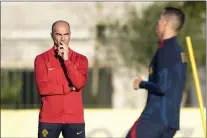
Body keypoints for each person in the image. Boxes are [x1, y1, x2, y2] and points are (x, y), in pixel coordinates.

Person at [126, 7, 187, 138]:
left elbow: (162, 87)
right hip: (171, 122)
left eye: (160, 19)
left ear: (166, 23)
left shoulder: (166, 51)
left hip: (155, 118)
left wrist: (142, 84)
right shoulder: (179, 51)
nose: (157, 22)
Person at [34, 20, 88, 138]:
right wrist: (67, 88)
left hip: (74, 119)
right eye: (58, 34)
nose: (62, 39)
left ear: (70, 35)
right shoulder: (41, 59)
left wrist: (67, 60)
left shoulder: (81, 59)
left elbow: (79, 84)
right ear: (52, 36)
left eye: (66, 34)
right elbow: (43, 88)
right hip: (49, 119)